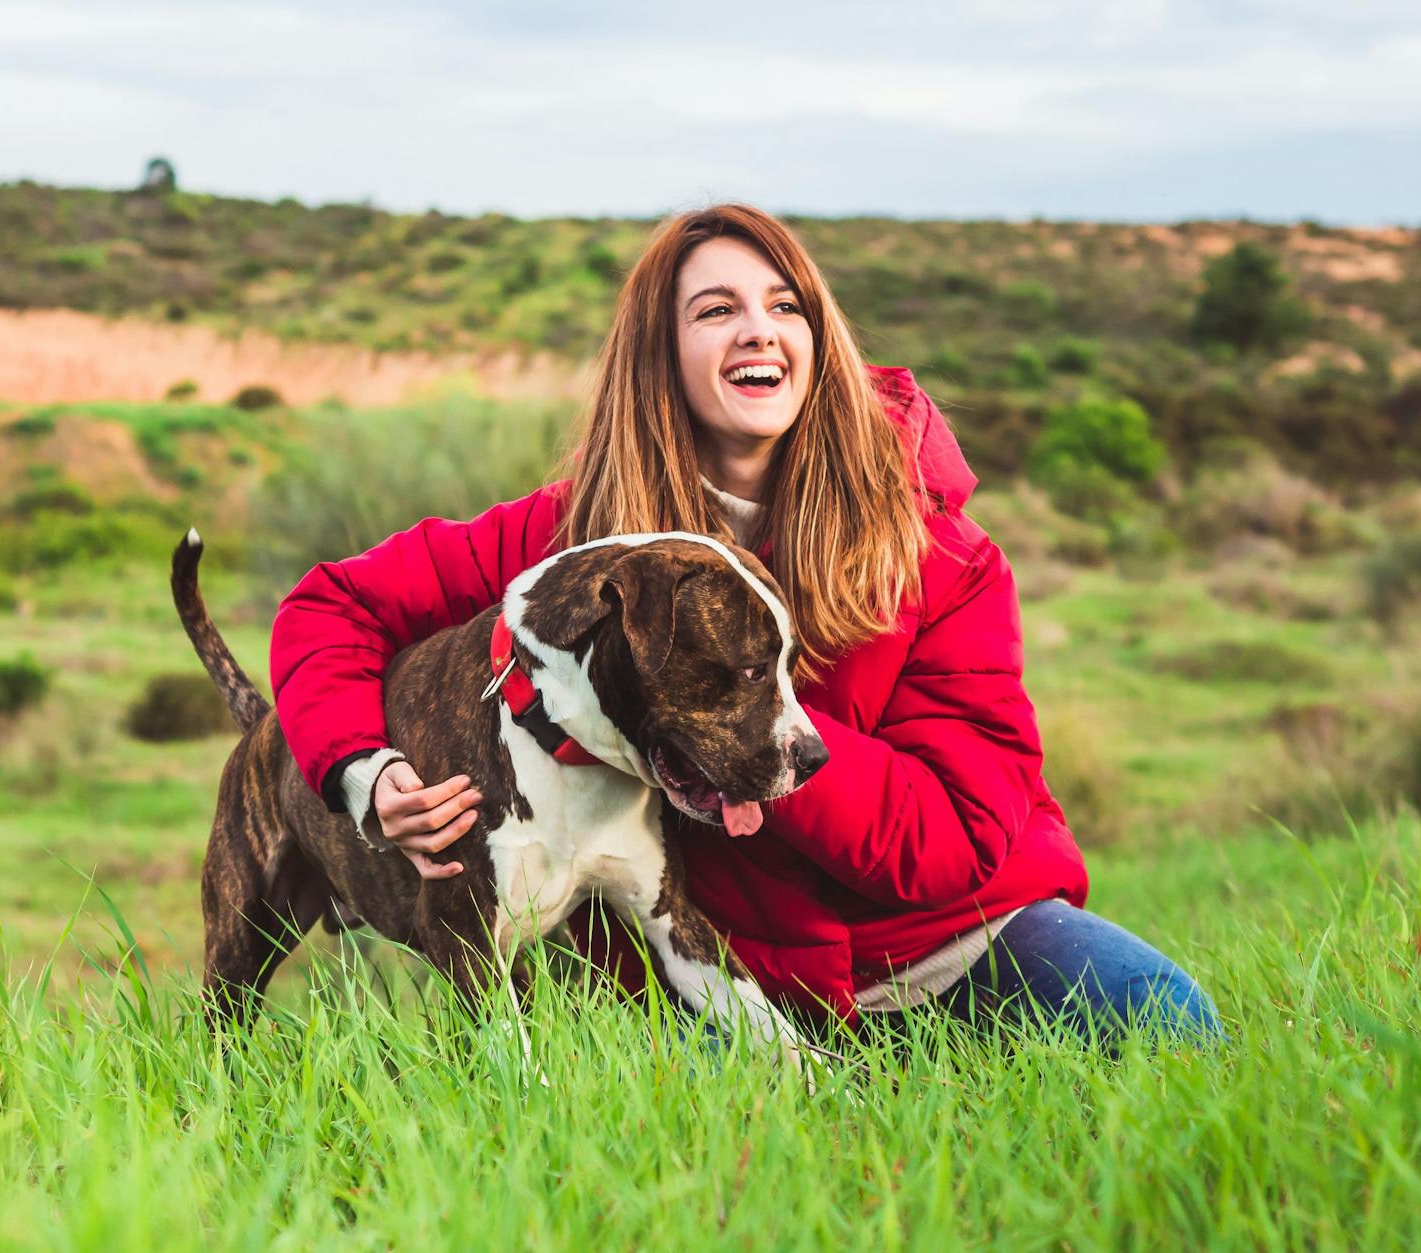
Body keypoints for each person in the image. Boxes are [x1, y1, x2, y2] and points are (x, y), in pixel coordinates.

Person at [269, 204, 1220, 1044]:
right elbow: (331, 607)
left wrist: (756, 734)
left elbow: (958, 836)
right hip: (699, 979)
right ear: (660, 352)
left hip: (947, 942)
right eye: (715, 310)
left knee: (1174, 1026)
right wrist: (366, 772)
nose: (757, 331)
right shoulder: (573, 548)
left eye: (786, 305)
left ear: (820, 338)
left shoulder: (939, 556)